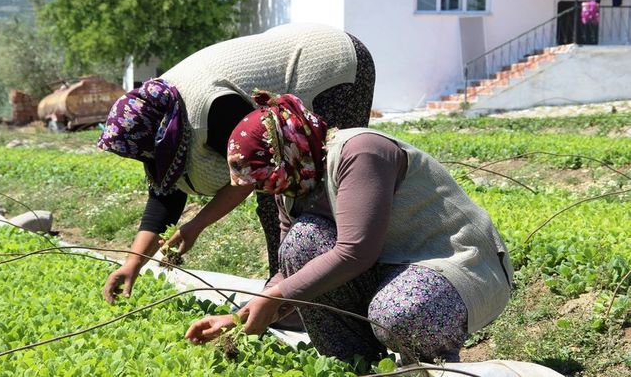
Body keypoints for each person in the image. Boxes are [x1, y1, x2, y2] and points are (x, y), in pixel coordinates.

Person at [184, 91, 514, 364]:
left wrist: (273, 299)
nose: (270, 191)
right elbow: (289, 272)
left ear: (288, 153)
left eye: (269, 180)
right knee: (301, 243)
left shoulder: (360, 152)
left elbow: (356, 251)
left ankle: (428, 369)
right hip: (389, 271)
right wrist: (240, 315)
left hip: (458, 267)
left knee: (399, 313)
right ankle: (356, 366)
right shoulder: (295, 181)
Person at [97, 23, 376, 315]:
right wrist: (133, 262)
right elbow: (165, 194)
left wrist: (196, 226)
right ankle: (287, 297)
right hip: (292, 55)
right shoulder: (158, 115)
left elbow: (249, 175)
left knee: (314, 185)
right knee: (279, 196)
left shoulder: (210, 108)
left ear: (158, 136)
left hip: (328, 63)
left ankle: (313, 300)